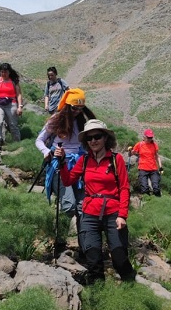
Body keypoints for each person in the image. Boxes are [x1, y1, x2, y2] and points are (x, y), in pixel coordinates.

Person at [56, 119, 136, 284]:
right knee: (93, 261)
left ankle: (132, 289)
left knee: (120, 259)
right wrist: (63, 162)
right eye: (89, 138)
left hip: (113, 213)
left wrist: (122, 215)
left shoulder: (116, 159)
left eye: (97, 136)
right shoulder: (84, 160)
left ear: (105, 138)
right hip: (90, 213)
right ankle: (98, 297)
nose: (93, 141)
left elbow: (124, 188)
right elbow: (68, 180)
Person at [35, 88, 95, 217]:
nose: (77, 112)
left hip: (79, 165)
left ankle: (81, 234)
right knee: (69, 205)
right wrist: (46, 152)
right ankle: (62, 227)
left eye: (80, 108)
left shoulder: (82, 121)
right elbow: (39, 140)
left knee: (82, 206)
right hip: (59, 164)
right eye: (74, 108)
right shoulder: (56, 119)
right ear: (67, 105)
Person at [0, 63, 23, 148]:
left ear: (9, 72)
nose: (3, 74)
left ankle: (17, 142)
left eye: (5, 72)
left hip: (12, 104)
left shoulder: (14, 81)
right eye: (2, 72)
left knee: (13, 124)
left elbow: (19, 94)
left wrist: (20, 106)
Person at [128, 128, 163, 196]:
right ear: (144, 137)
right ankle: (147, 201)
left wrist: (161, 167)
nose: (150, 139)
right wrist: (130, 150)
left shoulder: (154, 145)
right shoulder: (139, 144)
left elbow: (157, 156)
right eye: (148, 137)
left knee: (156, 187)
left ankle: (158, 201)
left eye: (151, 137)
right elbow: (130, 154)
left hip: (153, 169)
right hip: (143, 169)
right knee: (144, 189)